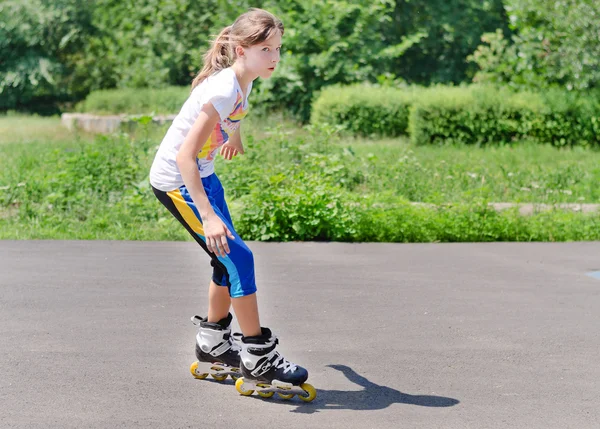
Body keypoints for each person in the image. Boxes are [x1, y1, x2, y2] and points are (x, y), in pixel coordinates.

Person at [149, 8, 315, 401]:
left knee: (226, 259)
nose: (275, 57)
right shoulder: (223, 87)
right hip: (179, 182)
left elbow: (232, 114)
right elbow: (183, 157)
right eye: (266, 49)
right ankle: (258, 356)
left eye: (278, 49)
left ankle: (212, 344)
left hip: (204, 176)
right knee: (239, 257)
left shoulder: (245, 80)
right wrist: (206, 216)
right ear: (241, 50)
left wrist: (235, 134)